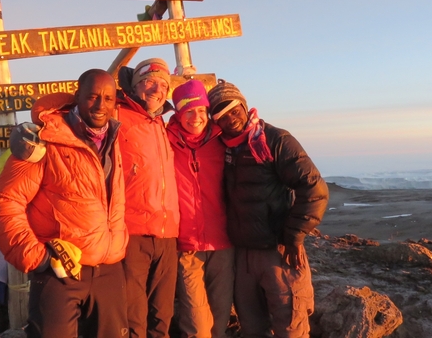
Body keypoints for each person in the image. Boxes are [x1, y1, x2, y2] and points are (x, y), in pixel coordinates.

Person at [0, 69, 128, 338]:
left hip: (109, 269)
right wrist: (37, 258)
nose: (100, 105)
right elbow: (5, 203)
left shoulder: (113, 139)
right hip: (59, 271)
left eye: (108, 98)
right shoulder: (43, 140)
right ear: (77, 96)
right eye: (92, 96)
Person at [207, 80, 329, 338]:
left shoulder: (275, 140)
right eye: (221, 114)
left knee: (291, 328)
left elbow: (315, 190)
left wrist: (295, 235)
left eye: (234, 109)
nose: (231, 118)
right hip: (242, 256)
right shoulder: (221, 147)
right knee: (252, 329)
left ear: (244, 105)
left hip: (280, 253)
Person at [116, 57, 181, 338]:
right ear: (135, 85)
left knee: (162, 315)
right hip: (132, 234)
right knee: (133, 316)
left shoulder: (161, 125)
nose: (157, 90)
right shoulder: (115, 116)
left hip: (167, 236)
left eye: (163, 85)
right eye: (149, 81)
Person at [167, 80, 234, 338]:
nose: (196, 118)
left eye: (201, 111)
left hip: (223, 244)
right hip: (187, 246)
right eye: (189, 111)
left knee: (219, 321)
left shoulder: (223, 140)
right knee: (196, 325)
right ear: (178, 113)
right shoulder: (165, 141)